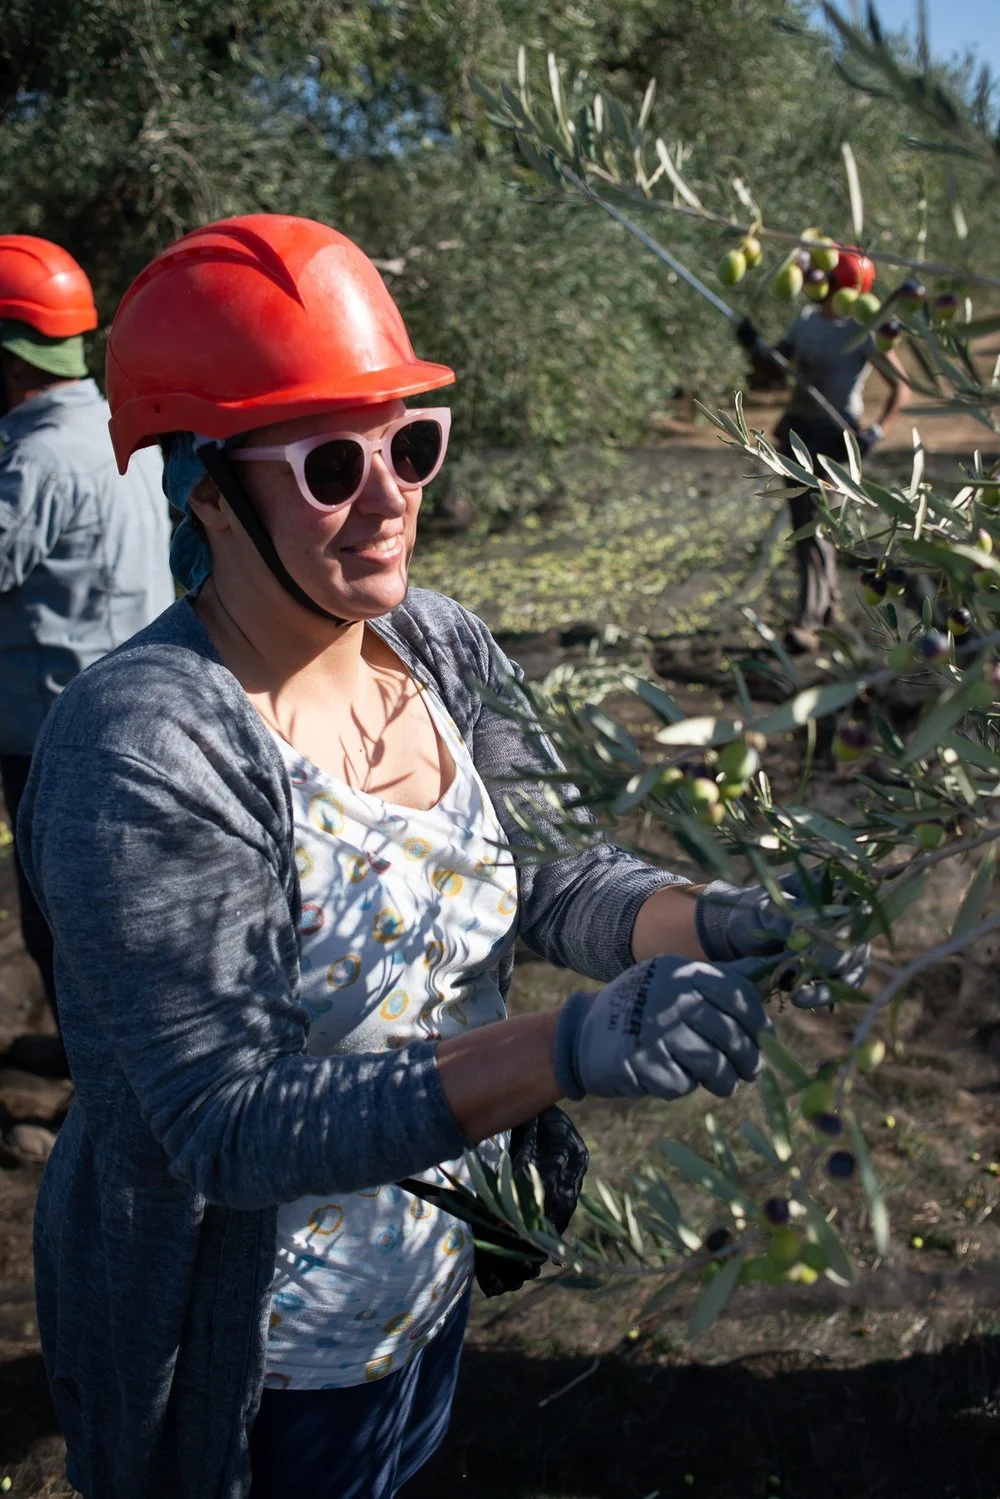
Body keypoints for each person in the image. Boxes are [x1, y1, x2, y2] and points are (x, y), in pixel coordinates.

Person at [18, 215, 866, 1499]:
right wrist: (566, 1049)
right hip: (259, 1365)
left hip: (423, 1295)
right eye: (326, 465)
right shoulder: (142, 748)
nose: (391, 496)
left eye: (412, 443)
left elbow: (554, 877)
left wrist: (716, 917)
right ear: (202, 485)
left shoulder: (443, 645)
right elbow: (225, 1122)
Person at [0, 236, 173, 1098]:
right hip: (149, 717)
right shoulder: (125, 435)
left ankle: (101, 1100)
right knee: (129, 916)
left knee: (62, 926)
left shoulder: (30, 460)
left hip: (49, 735)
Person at [740, 247, 908, 653]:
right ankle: (827, 609)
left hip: (838, 440)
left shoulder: (865, 330)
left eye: (824, 278)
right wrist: (753, 346)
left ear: (840, 283)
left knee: (819, 529)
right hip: (798, 434)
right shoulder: (807, 322)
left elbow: (901, 387)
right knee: (806, 528)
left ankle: (808, 622)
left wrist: (877, 432)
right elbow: (776, 370)